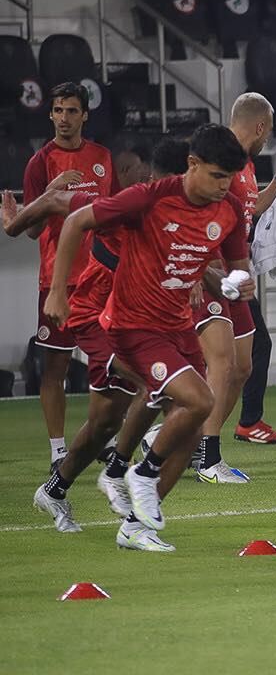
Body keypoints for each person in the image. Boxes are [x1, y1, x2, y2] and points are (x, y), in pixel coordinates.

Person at [44, 124, 253, 539]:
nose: (223, 186)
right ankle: (137, 470)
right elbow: (71, 218)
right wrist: (56, 291)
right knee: (197, 399)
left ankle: (137, 525)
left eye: (229, 178)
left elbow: (236, 267)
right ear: (192, 165)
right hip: (130, 325)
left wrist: (237, 282)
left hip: (176, 327)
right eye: (216, 176)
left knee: (190, 425)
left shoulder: (227, 208)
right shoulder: (147, 198)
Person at [11, 140, 191, 550]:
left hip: (130, 322)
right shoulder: (126, 206)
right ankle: (118, 475)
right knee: (165, 390)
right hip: (93, 316)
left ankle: (54, 490)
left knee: (103, 422)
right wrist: (13, 223)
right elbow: (60, 206)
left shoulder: (176, 216)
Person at [193, 93, 276, 480]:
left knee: (242, 366)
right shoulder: (220, 159)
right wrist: (202, 271)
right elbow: (201, 215)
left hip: (236, 274)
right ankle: (204, 453)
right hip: (211, 275)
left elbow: (249, 212)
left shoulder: (246, 166)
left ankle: (190, 440)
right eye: (269, 129)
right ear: (261, 126)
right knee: (220, 363)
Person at [21, 82, 115, 468]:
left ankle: (102, 437)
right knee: (54, 368)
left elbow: (116, 210)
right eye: (58, 110)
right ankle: (59, 448)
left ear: (85, 115)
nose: (64, 118)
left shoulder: (102, 158)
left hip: (99, 280)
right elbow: (28, 229)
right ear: (50, 114)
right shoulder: (40, 163)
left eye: (72, 111)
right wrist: (52, 191)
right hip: (56, 283)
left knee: (110, 364)